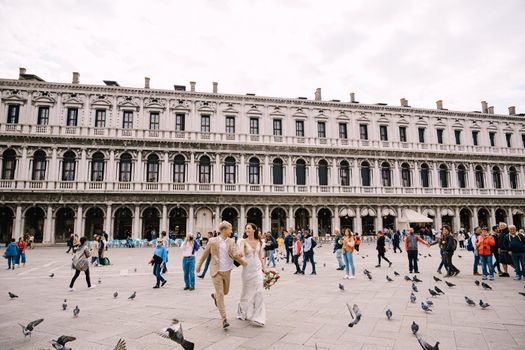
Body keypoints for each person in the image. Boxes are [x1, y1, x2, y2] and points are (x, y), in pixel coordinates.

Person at [196, 221, 246, 328]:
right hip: (216, 271)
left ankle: (214, 296)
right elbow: (204, 255)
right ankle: (224, 319)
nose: (232, 231)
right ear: (223, 230)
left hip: (227, 271)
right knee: (221, 295)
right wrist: (199, 266)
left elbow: (235, 253)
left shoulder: (232, 241)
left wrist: (244, 262)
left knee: (225, 292)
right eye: (230, 229)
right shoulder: (212, 241)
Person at [237, 223, 266, 326]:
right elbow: (241, 250)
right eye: (246, 228)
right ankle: (242, 311)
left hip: (257, 269)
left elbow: (260, 256)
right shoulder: (242, 241)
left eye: (249, 228)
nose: (247, 230)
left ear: (254, 230)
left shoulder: (260, 242)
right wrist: (240, 252)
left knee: (259, 292)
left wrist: (264, 268)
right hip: (247, 269)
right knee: (246, 292)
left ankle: (258, 317)